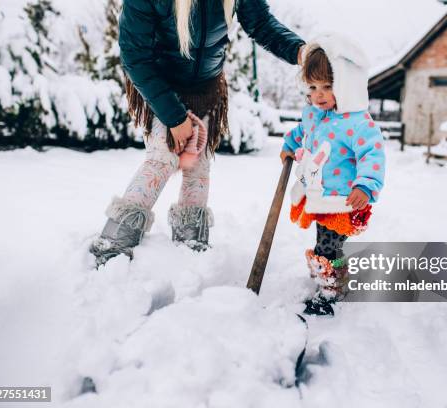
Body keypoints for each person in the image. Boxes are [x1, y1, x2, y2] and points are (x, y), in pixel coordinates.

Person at [89, 0, 306, 267]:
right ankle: (113, 243)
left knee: (198, 166)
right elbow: (135, 55)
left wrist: (300, 51)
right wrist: (175, 117)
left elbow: (259, 23)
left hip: (206, 87)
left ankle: (190, 243)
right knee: (162, 159)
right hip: (161, 86)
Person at [280, 33, 386, 316]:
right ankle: (326, 282)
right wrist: (290, 145)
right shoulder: (314, 114)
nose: (319, 94)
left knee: (329, 246)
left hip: (343, 199)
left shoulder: (358, 122)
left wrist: (365, 185)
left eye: (328, 86)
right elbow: (303, 132)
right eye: (313, 86)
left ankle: (331, 292)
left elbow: (372, 154)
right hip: (319, 196)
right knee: (322, 242)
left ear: (347, 85)